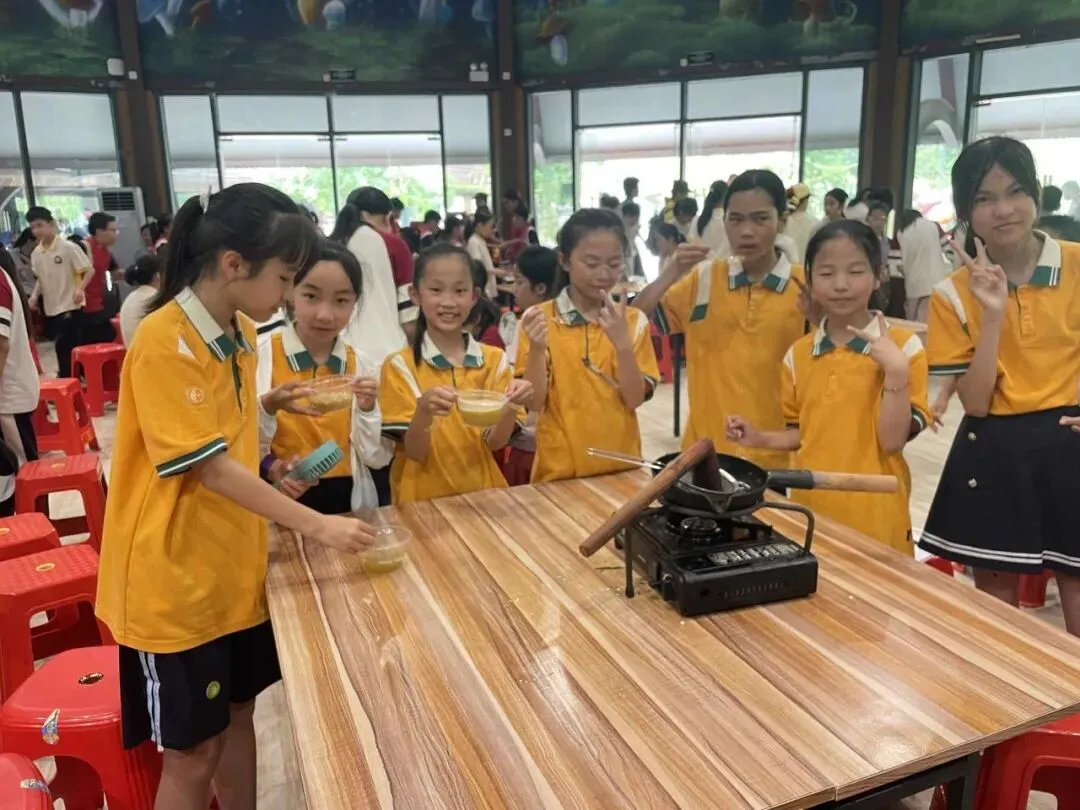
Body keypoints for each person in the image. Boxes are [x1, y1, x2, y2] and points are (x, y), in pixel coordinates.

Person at [95, 183, 376, 810]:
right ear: (232, 265)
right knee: (193, 755)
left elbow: (229, 441)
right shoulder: (165, 341)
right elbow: (209, 469)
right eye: (285, 279)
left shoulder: (240, 333)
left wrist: (272, 422)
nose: (288, 295)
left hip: (231, 570)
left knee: (240, 715)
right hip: (175, 586)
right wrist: (317, 524)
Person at [919, 136, 1080, 636]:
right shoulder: (951, 293)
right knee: (1000, 628)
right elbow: (976, 403)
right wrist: (992, 315)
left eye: (1015, 192)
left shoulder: (1078, 264)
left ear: (1036, 193)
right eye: (984, 198)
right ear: (966, 211)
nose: (1003, 210)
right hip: (993, 450)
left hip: (1071, 444)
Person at [727, 220, 930, 556]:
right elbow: (802, 433)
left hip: (877, 513)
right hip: (812, 509)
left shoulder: (904, 348)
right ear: (809, 279)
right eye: (826, 273)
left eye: (855, 271)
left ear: (878, 275)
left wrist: (895, 372)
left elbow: (892, 441)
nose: (841, 285)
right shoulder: (798, 354)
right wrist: (758, 437)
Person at [633, 170, 808, 470]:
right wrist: (672, 271)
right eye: (735, 219)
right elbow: (634, 320)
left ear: (782, 221)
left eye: (760, 219)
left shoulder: (804, 287)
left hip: (778, 457)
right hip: (704, 451)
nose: (747, 231)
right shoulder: (703, 279)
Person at [379, 244, 531, 504]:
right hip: (420, 499)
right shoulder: (400, 366)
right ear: (415, 294)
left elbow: (494, 443)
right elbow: (414, 451)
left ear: (474, 296)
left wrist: (512, 405)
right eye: (436, 290)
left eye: (460, 291)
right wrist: (423, 411)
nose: (448, 302)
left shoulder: (494, 360)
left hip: (483, 493)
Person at [517, 209, 659, 482]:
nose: (603, 274)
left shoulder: (633, 321)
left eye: (614, 263)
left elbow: (634, 399)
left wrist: (623, 344)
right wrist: (536, 348)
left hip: (622, 466)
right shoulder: (538, 319)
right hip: (558, 471)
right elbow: (534, 401)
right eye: (592, 263)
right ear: (564, 260)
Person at [258, 240, 389, 514]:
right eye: (311, 296)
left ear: (355, 302)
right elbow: (240, 441)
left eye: (341, 300)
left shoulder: (363, 366)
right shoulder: (260, 358)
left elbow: (375, 457)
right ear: (290, 292)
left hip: (349, 495)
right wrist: (272, 466)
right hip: (280, 495)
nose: (325, 315)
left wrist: (368, 410)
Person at [505, 246, 559, 486]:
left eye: (519, 281)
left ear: (540, 288)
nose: (514, 289)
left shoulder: (529, 323)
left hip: (532, 440)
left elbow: (527, 395)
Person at [26, 206, 91, 379]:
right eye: (33, 227)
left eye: (40, 225)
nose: (37, 230)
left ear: (51, 224)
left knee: (66, 344)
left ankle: (69, 377)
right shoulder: (36, 254)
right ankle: (70, 377)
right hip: (51, 306)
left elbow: (88, 270)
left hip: (71, 304)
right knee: (60, 344)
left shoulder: (68, 247)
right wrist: (34, 296)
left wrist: (80, 289)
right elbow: (40, 278)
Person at [0, 249, 39, 516]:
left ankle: (30, 530)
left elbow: (0, 344)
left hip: (7, 398)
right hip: (9, 395)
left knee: (22, 474)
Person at [896, 209, 949, 322]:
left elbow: (896, 265)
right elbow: (949, 250)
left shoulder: (901, 233)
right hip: (937, 281)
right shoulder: (934, 226)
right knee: (935, 320)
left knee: (914, 321)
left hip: (913, 285)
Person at [82, 212, 120, 344]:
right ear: (99, 231)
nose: (116, 234)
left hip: (99, 304)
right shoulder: (83, 248)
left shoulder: (106, 252)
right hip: (84, 308)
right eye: (113, 230)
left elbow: (115, 272)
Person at [118, 254, 161, 346]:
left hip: (133, 353)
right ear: (158, 275)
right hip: (152, 353)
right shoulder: (156, 298)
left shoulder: (130, 298)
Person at [465, 210, 498, 297]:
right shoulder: (474, 242)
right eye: (490, 227)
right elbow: (478, 268)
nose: (492, 230)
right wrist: (499, 272)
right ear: (480, 225)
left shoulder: (480, 240)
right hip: (483, 288)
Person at [693, 180, 730, 257]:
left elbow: (692, 242)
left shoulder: (698, 220)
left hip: (700, 263)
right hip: (722, 263)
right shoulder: (727, 220)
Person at [785, 183, 817, 263]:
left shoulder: (782, 221)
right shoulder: (815, 222)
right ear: (805, 200)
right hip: (807, 267)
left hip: (785, 267)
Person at [621, 201, 644, 279]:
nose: (633, 220)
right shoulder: (619, 230)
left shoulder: (636, 229)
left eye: (636, 217)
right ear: (624, 216)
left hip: (633, 258)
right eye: (630, 217)